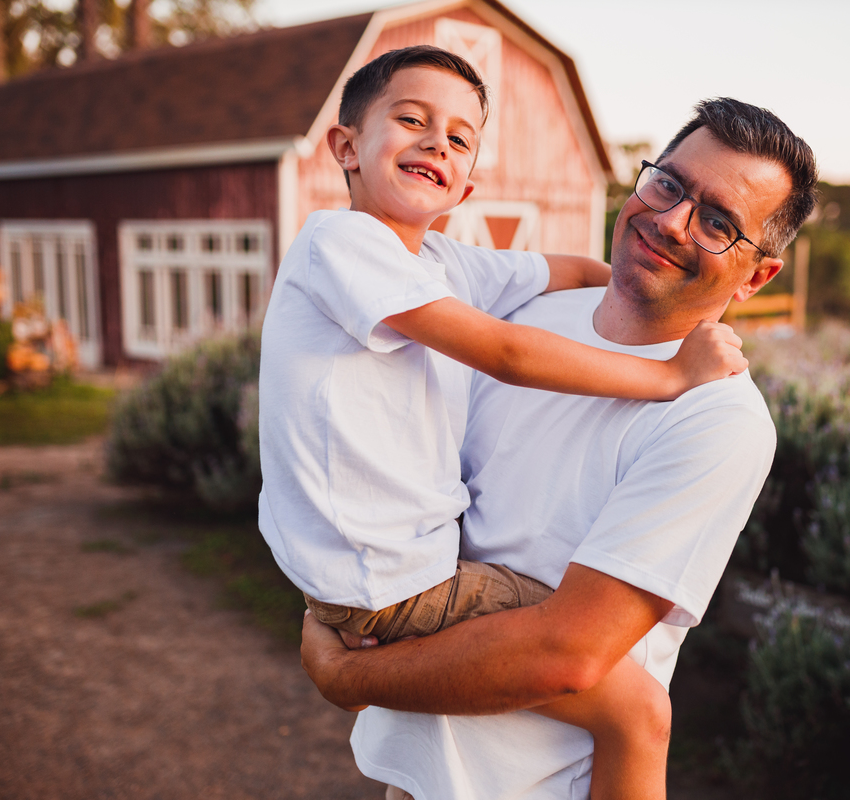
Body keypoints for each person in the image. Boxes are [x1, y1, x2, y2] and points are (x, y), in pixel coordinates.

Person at [258, 46, 748, 800]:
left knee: (614, 689)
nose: (435, 144)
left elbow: (571, 271)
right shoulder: (341, 242)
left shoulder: (447, 268)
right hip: (388, 577)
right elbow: (512, 354)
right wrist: (671, 374)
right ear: (346, 147)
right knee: (632, 702)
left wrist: (662, 295)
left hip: (389, 577)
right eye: (412, 120)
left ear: (469, 181)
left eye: (458, 139)